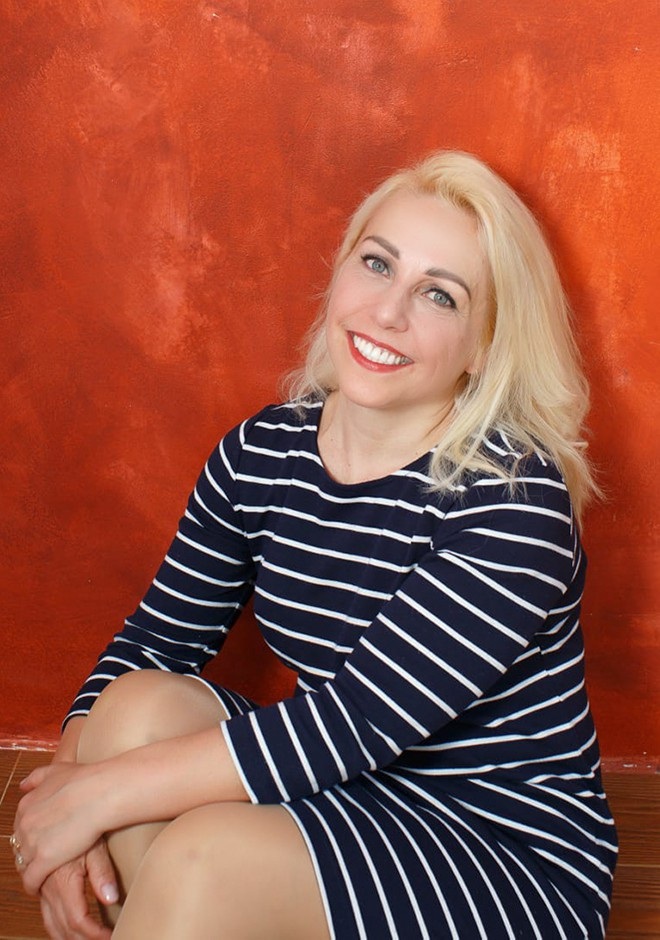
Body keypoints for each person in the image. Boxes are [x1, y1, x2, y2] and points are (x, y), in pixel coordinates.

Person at [13, 150, 618, 939]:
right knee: (132, 709)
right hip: (349, 791)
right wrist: (65, 804)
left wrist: (92, 799)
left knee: (207, 859)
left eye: (439, 294)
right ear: (341, 272)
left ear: (484, 347)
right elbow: (155, 640)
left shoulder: (514, 500)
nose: (388, 312)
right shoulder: (262, 455)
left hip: (499, 851)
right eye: (378, 263)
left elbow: (355, 722)